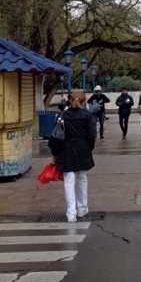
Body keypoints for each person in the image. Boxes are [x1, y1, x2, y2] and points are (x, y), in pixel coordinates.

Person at [48, 90, 96, 222]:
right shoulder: (87, 116)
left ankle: (71, 213)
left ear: (69, 100)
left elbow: (55, 136)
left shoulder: (62, 116)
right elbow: (92, 136)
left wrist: (55, 153)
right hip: (82, 149)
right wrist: (89, 148)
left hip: (66, 150)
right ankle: (82, 208)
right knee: (82, 178)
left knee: (69, 181)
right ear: (83, 101)